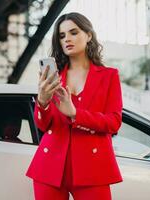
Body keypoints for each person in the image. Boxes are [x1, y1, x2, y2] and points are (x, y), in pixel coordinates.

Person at [26, 12, 123, 200]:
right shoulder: (54, 77)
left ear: (89, 35)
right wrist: (43, 102)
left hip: (93, 168)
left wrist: (75, 113)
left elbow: (114, 122)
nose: (67, 39)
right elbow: (43, 125)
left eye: (73, 32)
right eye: (62, 36)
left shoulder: (109, 76)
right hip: (49, 167)